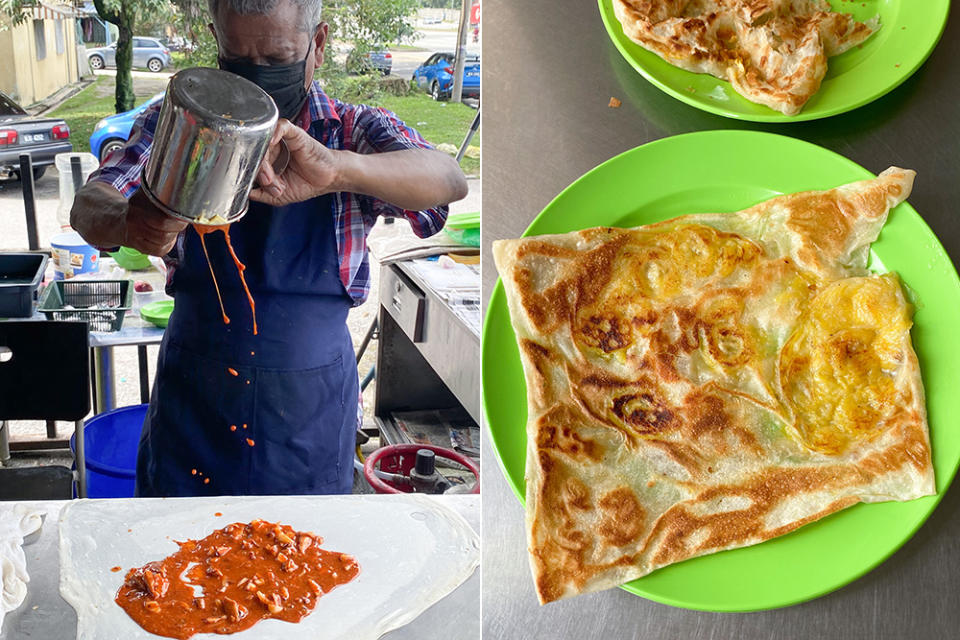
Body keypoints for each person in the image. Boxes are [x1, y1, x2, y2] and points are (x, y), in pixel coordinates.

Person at [70, 0, 468, 497]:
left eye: (277, 58)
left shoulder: (352, 130)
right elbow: (90, 202)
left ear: (317, 45)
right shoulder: (180, 127)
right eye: (238, 58)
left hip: (308, 411)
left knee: (306, 558)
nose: (258, 76)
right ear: (218, 45)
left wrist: (338, 169)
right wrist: (129, 221)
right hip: (195, 401)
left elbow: (447, 179)